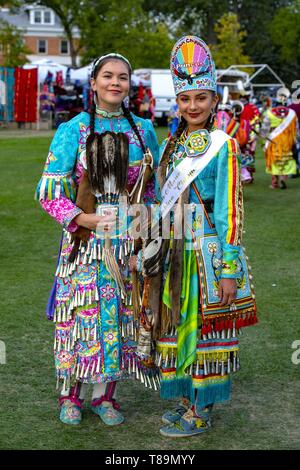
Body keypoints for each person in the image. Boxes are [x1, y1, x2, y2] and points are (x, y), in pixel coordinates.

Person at [35, 52, 159, 426]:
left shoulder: (144, 129)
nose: (115, 83)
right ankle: (70, 395)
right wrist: (83, 218)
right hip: (86, 245)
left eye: (122, 77)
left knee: (121, 319)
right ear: (93, 83)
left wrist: (145, 237)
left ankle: (106, 396)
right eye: (107, 76)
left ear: (129, 85)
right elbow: (49, 192)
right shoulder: (72, 130)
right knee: (80, 319)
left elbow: (152, 192)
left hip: (128, 243)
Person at [154, 36, 257, 438]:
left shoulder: (224, 146)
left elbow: (229, 211)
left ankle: (202, 407)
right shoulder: (171, 146)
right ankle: (185, 399)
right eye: (185, 99)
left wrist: (228, 268)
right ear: (176, 102)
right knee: (176, 323)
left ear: (214, 99)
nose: (192, 106)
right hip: (174, 252)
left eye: (201, 98)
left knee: (204, 328)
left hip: (207, 254)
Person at [261, 88, 297, 189]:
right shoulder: (292, 113)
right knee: (284, 160)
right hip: (287, 141)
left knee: (273, 160)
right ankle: (282, 179)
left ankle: (274, 183)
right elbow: (296, 128)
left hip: (273, 140)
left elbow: (264, 128)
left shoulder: (270, 112)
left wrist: (264, 139)